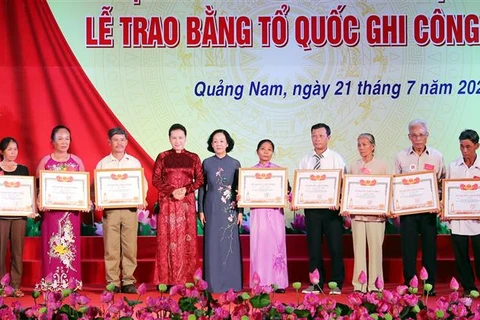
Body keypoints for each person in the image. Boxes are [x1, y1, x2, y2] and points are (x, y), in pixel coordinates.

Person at [394, 119, 445, 296]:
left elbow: (442, 183)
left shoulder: (437, 156)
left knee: (429, 249)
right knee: (408, 249)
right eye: (414, 135)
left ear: (427, 135)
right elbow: (395, 183)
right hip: (408, 213)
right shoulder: (400, 156)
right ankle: (410, 285)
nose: (418, 138)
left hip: (428, 212)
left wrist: (438, 202)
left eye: (421, 134)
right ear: (409, 136)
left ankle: (429, 286)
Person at [96, 127, 147, 294]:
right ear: (109, 142)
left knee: (129, 246)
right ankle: (112, 282)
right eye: (115, 140)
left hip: (129, 210)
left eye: (122, 140)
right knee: (111, 247)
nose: (119, 143)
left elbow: (142, 183)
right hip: (110, 210)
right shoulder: (103, 163)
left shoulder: (134, 163)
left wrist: (142, 198)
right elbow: (97, 185)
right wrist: (98, 200)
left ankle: (128, 281)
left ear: (126, 142)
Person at [152, 124, 204, 287]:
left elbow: (200, 180)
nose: (177, 141)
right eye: (174, 137)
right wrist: (172, 191)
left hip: (186, 205)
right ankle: (166, 281)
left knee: (186, 240)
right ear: (169, 139)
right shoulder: (162, 157)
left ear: (185, 139)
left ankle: (187, 280)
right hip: (168, 203)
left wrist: (186, 189)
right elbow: (156, 179)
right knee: (167, 240)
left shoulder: (194, 157)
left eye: (180, 137)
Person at [36, 125, 85, 291]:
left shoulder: (77, 161)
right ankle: (51, 281)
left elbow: (82, 188)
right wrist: (39, 200)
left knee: (69, 245)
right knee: (52, 245)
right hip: (51, 213)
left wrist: (85, 202)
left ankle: (71, 282)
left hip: (71, 213)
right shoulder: (45, 161)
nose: (64, 142)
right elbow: (39, 187)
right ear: (52, 141)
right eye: (60, 138)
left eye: (67, 138)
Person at [298, 123, 346, 295]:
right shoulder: (306, 160)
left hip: (332, 210)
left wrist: (339, 200)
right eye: (314, 136)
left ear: (328, 137)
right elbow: (300, 185)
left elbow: (343, 184)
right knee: (314, 248)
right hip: (312, 210)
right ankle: (316, 283)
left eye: (320, 136)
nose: (317, 139)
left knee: (335, 247)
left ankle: (336, 282)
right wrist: (298, 199)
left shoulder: (336, 158)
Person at [341, 133, 389, 292]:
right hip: (358, 216)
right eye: (359, 145)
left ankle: (375, 285)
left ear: (373, 146)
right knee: (358, 250)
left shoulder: (382, 165)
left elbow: (389, 189)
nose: (361, 148)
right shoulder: (354, 166)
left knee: (376, 251)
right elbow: (349, 189)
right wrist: (346, 206)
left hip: (377, 217)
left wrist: (386, 208)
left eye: (365, 144)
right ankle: (359, 285)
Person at [198, 129, 243, 293]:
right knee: (213, 244)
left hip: (229, 210)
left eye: (221, 141)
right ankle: (212, 283)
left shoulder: (235, 163)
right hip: (211, 208)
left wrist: (240, 211)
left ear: (228, 143)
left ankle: (232, 283)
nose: (218, 144)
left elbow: (239, 189)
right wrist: (200, 210)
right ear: (211, 144)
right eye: (215, 141)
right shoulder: (206, 163)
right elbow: (202, 188)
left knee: (228, 245)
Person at [249, 139, 288, 293]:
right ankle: (260, 282)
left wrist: (287, 196)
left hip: (275, 213)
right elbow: (245, 193)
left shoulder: (279, 172)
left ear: (273, 152)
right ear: (257, 151)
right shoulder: (250, 173)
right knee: (260, 246)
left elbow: (288, 191)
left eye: (269, 149)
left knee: (276, 245)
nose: (266, 151)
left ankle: (278, 283)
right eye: (262, 148)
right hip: (258, 213)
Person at [446, 129, 480, 295]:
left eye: (468, 146)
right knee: (461, 255)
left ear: (477, 146)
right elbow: (447, 191)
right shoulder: (453, 166)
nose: (464, 150)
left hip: (478, 221)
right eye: (461, 146)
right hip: (458, 219)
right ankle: (468, 287)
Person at [0, 137, 34, 298]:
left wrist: (31, 208)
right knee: (0, 252)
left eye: (15, 149)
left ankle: (15, 286)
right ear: (2, 152)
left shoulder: (23, 169)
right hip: (1, 216)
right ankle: (2, 285)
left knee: (17, 252)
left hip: (19, 216)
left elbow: (27, 193)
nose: (13, 152)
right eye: (9, 149)